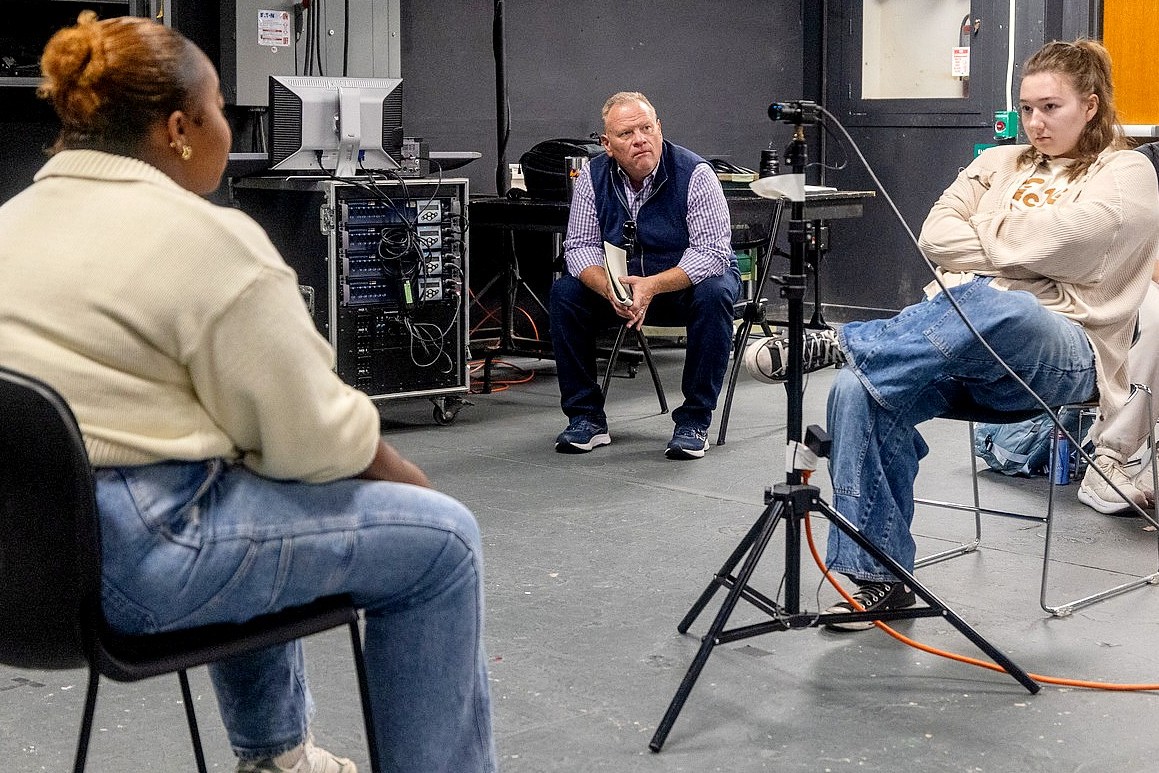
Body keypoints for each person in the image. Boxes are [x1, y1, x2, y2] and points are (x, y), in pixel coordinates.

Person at [0, 13, 496, 772]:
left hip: (21, 571)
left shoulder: (13, 222)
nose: (229, 130)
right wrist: (411, 483)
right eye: (220, 109)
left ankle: (279, 759)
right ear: (178, 129)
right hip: (133, 566)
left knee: (246, 482)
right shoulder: (207, 240)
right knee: (444, 542)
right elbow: (315, 440)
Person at [812, 39, 1159, 630]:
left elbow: (1076, 242)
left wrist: (988, 240)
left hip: (1064, 353)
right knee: (855, 391)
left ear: (1091, 105)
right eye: (1026, 108)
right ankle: (880, 579)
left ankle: (848, 342)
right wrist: (1027, 249)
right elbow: (935, 236)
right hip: (959, 348)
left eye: (1050, 107)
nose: (1035, 123)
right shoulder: (1000, 162)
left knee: (1001, 305)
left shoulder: (1125, 172)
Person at [549, 91, 741, 460]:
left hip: (682, 286)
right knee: (565, 293)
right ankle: (586, 417)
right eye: (626, 133)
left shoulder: (695, 174)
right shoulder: (592, 176)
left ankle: (694, 420)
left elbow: (712, 254)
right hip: (624, 288)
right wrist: (610, 289)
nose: (640, 139)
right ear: (607, 144)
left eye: (646, 128)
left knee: (715, 292)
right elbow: (579, 247)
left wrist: (651, 286)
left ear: (659, 128)